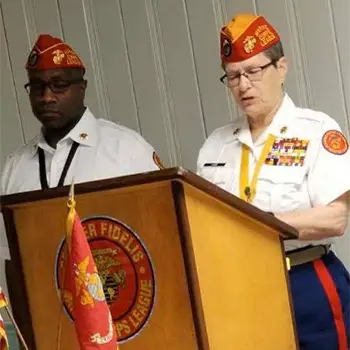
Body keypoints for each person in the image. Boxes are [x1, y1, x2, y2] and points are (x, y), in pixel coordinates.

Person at [197, 13, 350, 350]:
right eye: (233, 76)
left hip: (305, 278)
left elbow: (335, 219)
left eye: (253, 71)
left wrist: (255, 225)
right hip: (239, 286)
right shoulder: (215, 144)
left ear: (281, 68)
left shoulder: (316, 130)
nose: (243, 85)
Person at [1, 34, 164, 195]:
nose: (47, 97)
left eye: (59, 85)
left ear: (82, 88)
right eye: (37, 87)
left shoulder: (126, 149)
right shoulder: (14, 167)